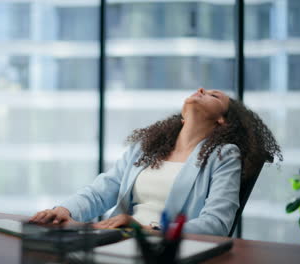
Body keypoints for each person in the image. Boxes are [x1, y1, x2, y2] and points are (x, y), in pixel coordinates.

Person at [29, 88, 282, 236]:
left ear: (223, 121)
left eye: (214, 96)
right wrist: (65, 210)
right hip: (115, 241)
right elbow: (100, 191)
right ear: (183, 115)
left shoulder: (224, 155)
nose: (202, 90)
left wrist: (144, 230)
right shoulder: (145, 148)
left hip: (162, 251)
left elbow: (216, 224)